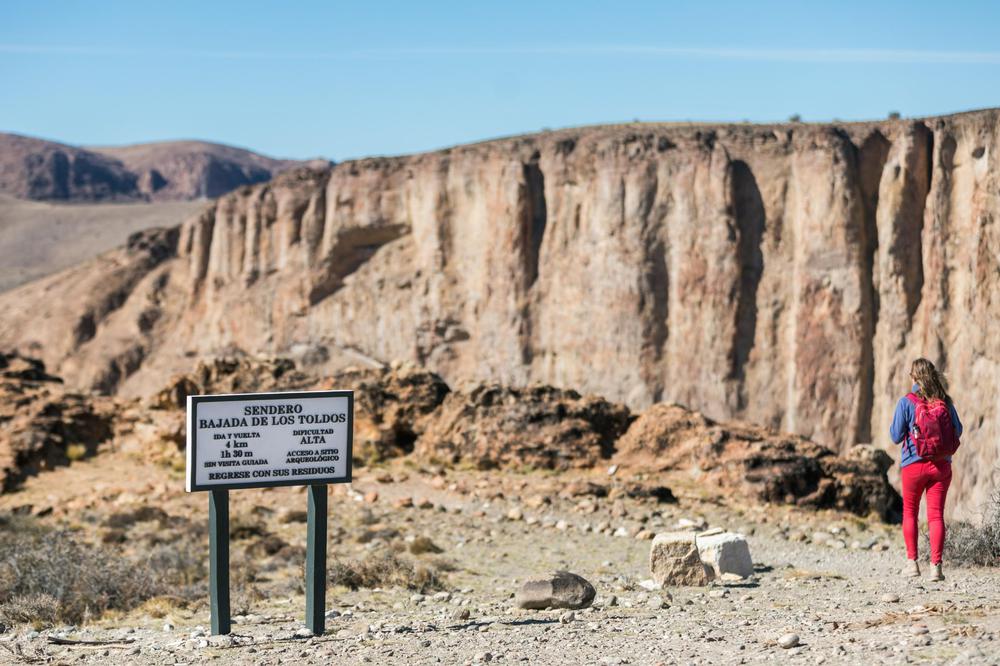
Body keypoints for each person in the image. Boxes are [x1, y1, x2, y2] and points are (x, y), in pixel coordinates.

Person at [889, 358, 962, 581]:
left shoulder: (906, 402)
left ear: (913, 377)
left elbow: (895, 436)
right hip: (941, 467)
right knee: (936, 515)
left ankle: (912, 564)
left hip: (913, 465)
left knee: (910, 512)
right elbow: (958, 430)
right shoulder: (945, 401)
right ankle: (936, 568)